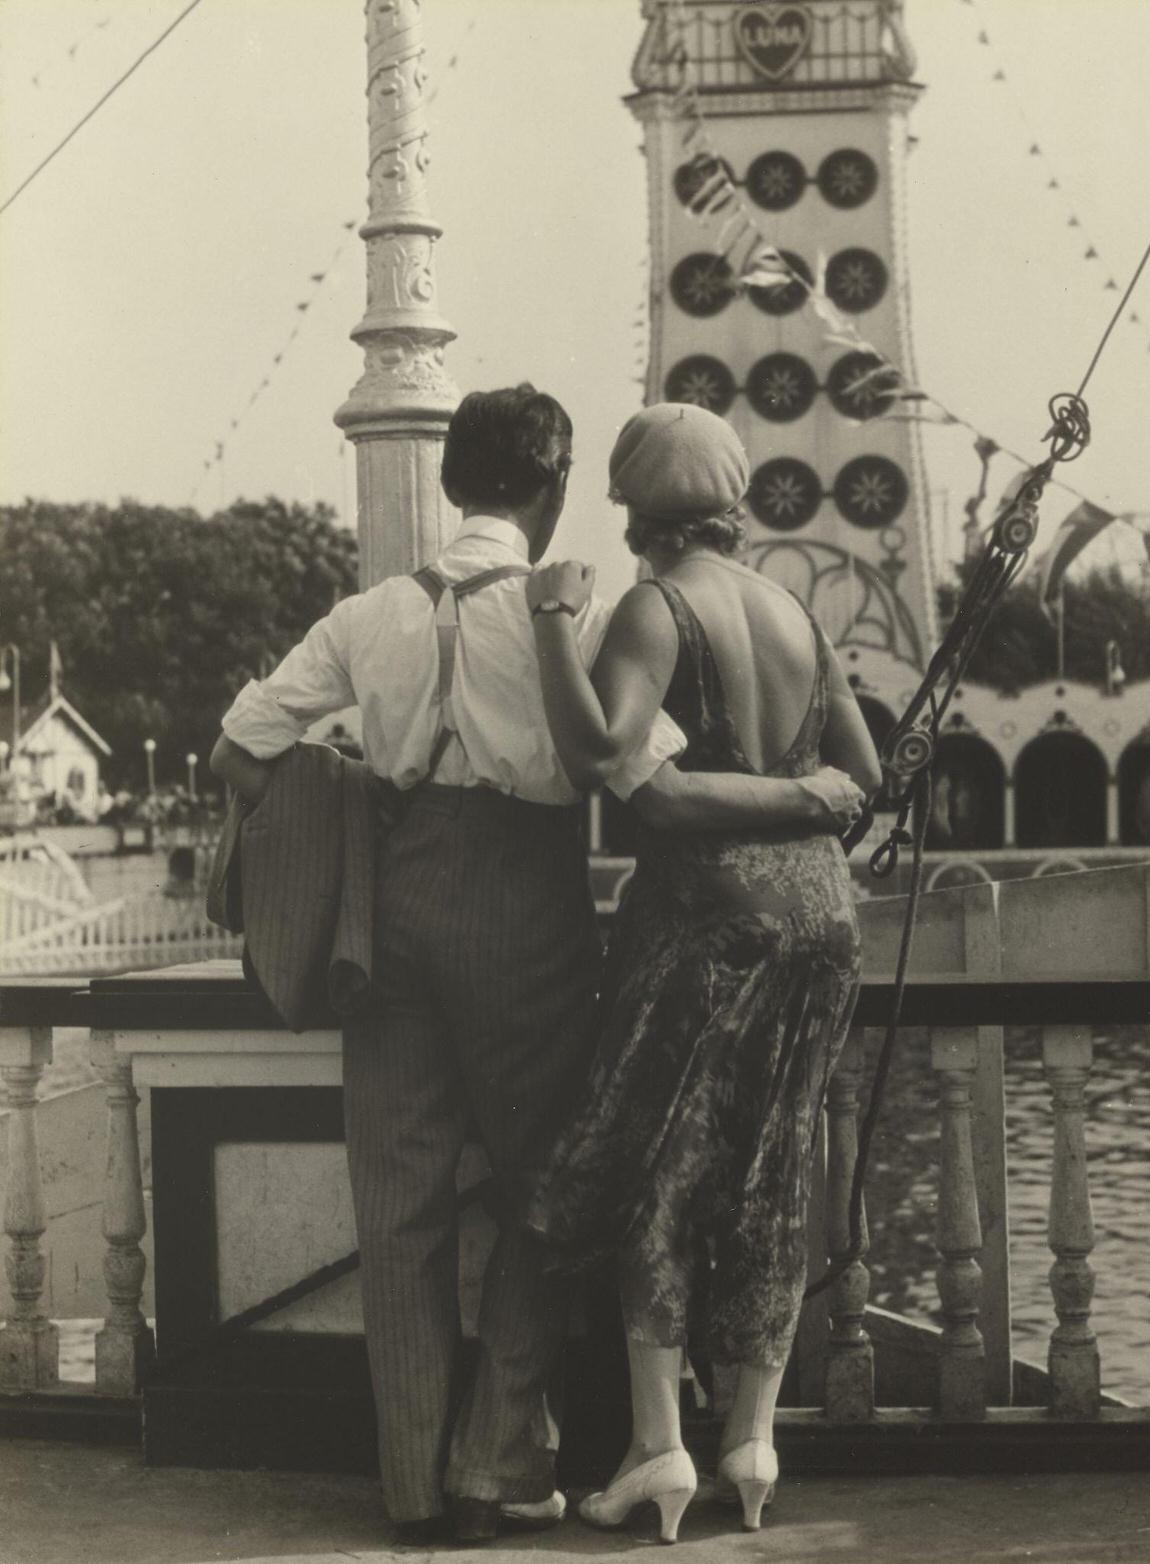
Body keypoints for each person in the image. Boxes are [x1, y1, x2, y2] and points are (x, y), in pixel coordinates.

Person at [210, 385, 864, 1547]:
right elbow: (642, 777)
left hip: (393, 912)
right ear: (554, 490)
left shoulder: (365, 617)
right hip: (527, 915)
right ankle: (496, 1460)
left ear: (454, 481)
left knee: (398, 1204)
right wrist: (811, 797)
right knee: (545, 1191)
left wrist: (346, 814)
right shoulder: (576, 612)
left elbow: (241, 750)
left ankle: (411, 1484)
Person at [523, 402, 883, 1540]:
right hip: (823, 920)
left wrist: (549, 625)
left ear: (633, 510)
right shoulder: (791, 608)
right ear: (733, 501)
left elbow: (605, 760)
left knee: (661, 1167)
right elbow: (859, 781)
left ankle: (657, 1447)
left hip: (705, 921)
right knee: (775, 1165)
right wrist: (802, 801)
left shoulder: (655, 605)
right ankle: (753, 1439)